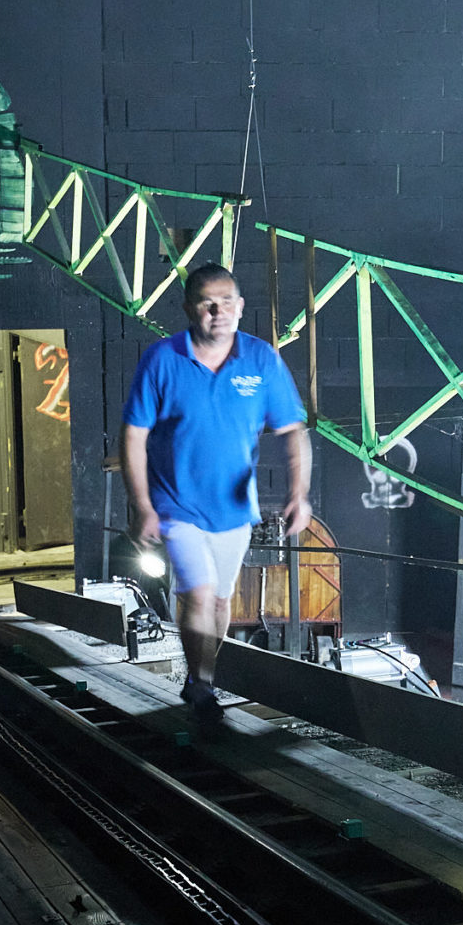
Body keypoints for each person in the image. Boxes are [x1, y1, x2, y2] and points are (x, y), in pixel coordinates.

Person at [121, 264, 310, 720]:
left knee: (223, 599)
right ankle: (202, 685)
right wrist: (144, 505)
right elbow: (133, 435)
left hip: (233, 509)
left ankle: (202, 674)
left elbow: (293, 431)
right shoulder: (163, 360)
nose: (217, 311)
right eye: (207, 302)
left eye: (227, 301)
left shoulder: (261, 360)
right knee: (200, 593)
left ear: (241, 308)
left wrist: (299, 493)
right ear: (190, 309)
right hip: (175, 504)